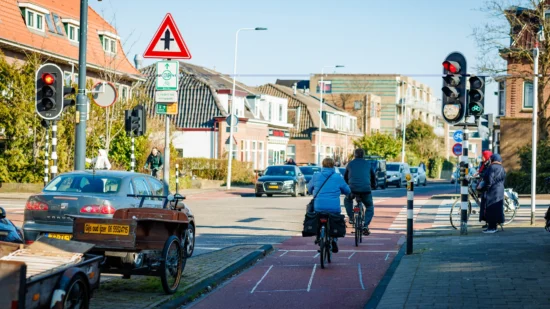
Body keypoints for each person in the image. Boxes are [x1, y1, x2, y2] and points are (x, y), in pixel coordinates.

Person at [307, 157, 351, 253]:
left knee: (318, 217)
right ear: (333, 165)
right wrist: (347, 194)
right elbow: (347, 190)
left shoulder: (316, 176)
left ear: (322, 165)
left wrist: (312, 191)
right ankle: (334, 239)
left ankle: (318, 236)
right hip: (333, 207)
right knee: (334, 220)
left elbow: (309, 188)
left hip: (318, 206)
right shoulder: (337, 177)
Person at [344, 148, 376, 235]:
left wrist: (347, 185)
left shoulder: (350, 164)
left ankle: (351, 217)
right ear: (363, 155)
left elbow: (345, 177)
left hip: (352, 189)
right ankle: (365, 225)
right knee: (369, 206)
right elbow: (372, 176)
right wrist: (373, 185)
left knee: (347, 200)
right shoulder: (368, 164)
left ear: (354, 155)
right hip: (365, 190)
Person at [479, 154, 506, 233]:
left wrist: (483, 188)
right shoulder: (502, 168)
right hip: (500, 189)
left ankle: (491, 228)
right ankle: (495, 226)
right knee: (497, 208)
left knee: (491, 208)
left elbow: (489, 181)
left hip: (493, 190)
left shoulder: (492, 167)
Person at [475, 150, 493, 228]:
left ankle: (489, 222)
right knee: (484, 204)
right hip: (483, 185)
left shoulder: (489, 164)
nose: (482, 157)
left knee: (486, 204)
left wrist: (480, 174)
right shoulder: (483, 163)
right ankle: (486, 221)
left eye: (483, 155)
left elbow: (486, 174)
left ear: (486, 156)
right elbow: (480, 171)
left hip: (487, 186)